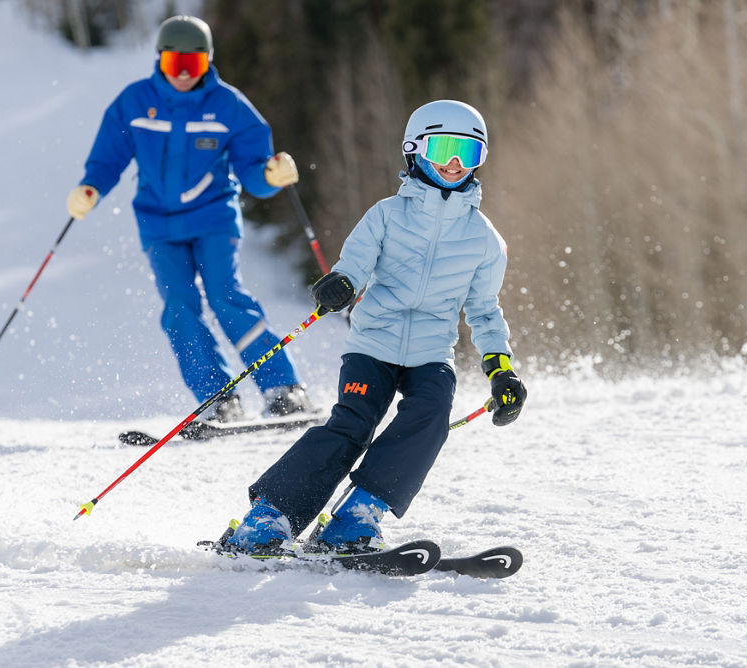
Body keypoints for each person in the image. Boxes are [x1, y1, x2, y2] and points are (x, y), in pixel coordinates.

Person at [221, 100, 527, 554]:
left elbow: (484, 311)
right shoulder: (386, 215)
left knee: (431, 415)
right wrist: (341, 285)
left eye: (469, 153)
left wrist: (501, 370)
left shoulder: (484, 240)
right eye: (443, 147)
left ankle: (358, 514)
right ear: (414, 150)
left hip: (430, 353)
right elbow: (355, 266)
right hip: (373, 345)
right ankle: (268, 516)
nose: (454, 163)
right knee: (352, 425)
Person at [66, 15, 311, 422]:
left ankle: (283, 388)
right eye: (173, 65)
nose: (181, 75)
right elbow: (109, 158)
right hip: (159, 225)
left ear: (207, 63)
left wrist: (270, 176)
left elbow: (253, 167)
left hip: (213, 218)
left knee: (224, 296)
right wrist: (91, 188)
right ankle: (218, 398)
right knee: (179, 306)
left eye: (192, 66)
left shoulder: (228, 106)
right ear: (160, 60)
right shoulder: (134, 102)